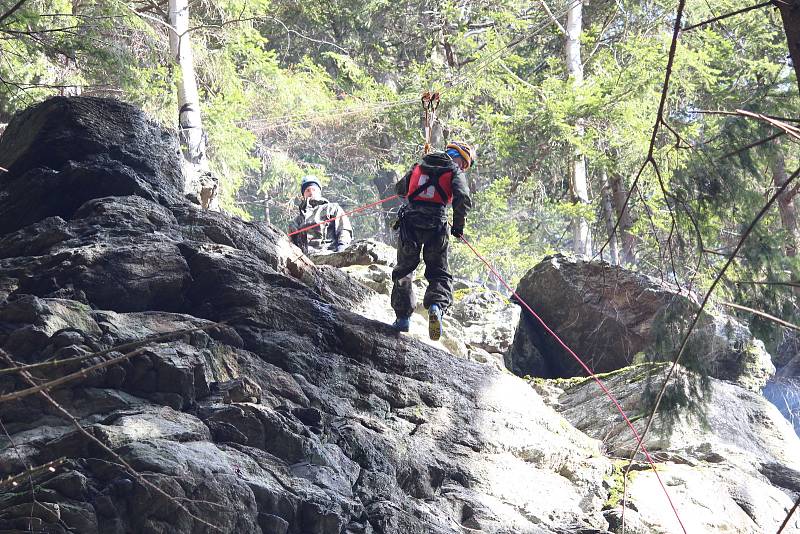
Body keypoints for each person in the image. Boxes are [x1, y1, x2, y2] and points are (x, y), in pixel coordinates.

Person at [390, 142, 475, 340]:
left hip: (409, 222)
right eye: (464, 165)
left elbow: (400, 189)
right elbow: (462, 198)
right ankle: (436, 306)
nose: (463, 168)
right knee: (439, 272)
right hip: (437, 225)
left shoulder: (420, 165)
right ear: (461, 160)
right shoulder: (454, 171)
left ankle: (402, 318)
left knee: (405, 269)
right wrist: (458, 226)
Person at [290, 175, 353, 254]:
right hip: (305, 259)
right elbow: (291, 244)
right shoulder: (297, 220)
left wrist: (342, 247)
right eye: (307, 190)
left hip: (329, 253)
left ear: (319, 192)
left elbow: (344, 229)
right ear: (303, 195)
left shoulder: (332, 208)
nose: (311, 192)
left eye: (314, 189)